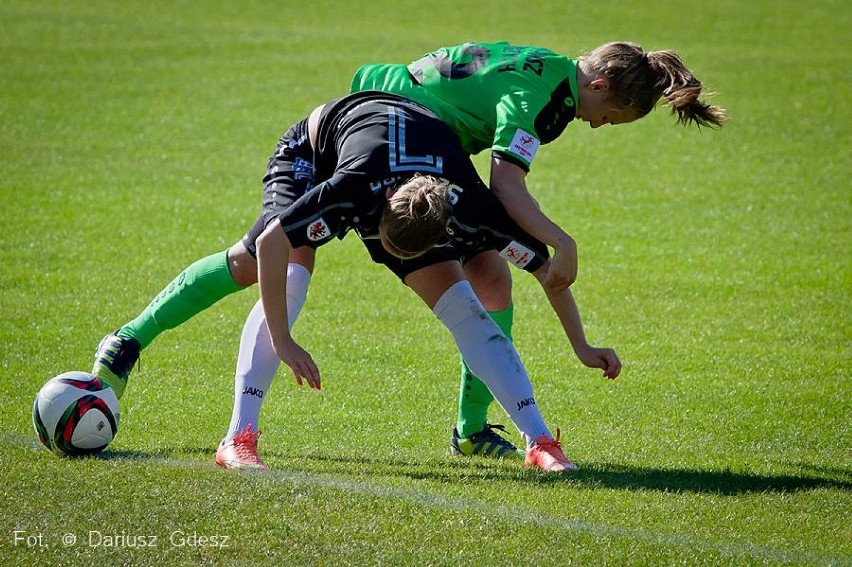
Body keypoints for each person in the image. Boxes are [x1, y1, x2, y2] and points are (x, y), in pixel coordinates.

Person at [91, 91, 621, 472]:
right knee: (270, 268)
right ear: (374, 221)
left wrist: (581, 344)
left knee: (466, 307)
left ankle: (541, 442)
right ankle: (234, 435)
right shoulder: (350, 189)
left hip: (416, 167)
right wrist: (285, 340)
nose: (390, 265)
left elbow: (549, 273)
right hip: (314, 154)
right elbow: (277, 241)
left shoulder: (470, 207)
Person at [347, 40, 727, 457]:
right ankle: (501, 433)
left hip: (401, 115)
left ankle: (471, 430)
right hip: (395, 128)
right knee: (292, 245)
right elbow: (506, 188)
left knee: (492, 278)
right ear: (599, 85)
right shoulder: (542, 101)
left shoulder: (554, 69)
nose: (598, 125)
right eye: (609, 117)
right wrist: (564, 242)